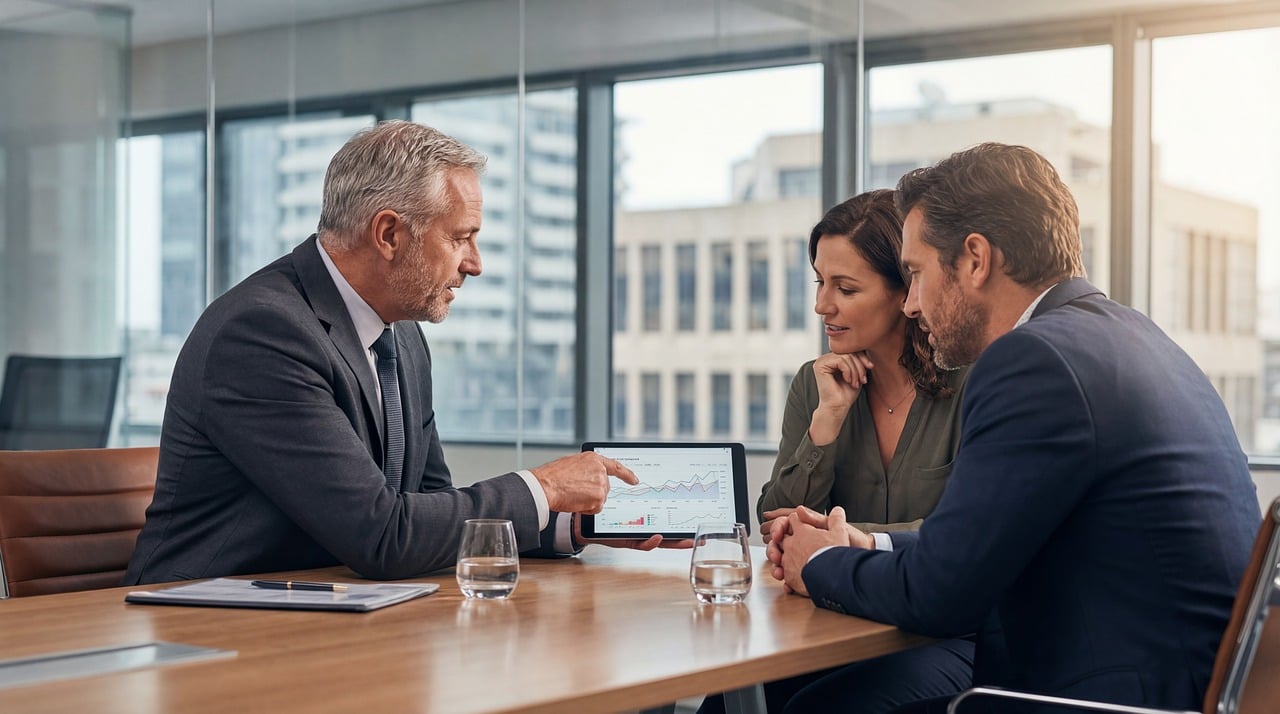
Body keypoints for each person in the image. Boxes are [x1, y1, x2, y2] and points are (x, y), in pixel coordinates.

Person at [768, 143, 1259, 713]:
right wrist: (868, 542)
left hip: (1105, 700)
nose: (912, 304)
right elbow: (981, 541)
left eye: (917, 274)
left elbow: (940, 596)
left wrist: (818, 562)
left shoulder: (1032, 360)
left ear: (975, 260)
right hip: (1178, 688)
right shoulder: (1133, 337)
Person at [124, 120, 660, 586]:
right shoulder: (262, 334)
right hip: (204, 625)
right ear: (388, 234)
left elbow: (431, 510)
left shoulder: (401, 336)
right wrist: (542, 487)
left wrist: (567, 521)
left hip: (324, 609)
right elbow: (382, 535)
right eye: (461, 238)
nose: (475, 264)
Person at [701, 190, 973, 714]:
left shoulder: (972, 384)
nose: (822, 305)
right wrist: (825, 424)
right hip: (840, 619)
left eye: (845, 288)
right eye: (820, 282)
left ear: (906, 290)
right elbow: (774, 522)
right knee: (728, 700)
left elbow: (963, 538)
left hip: (942, 632)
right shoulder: (816, 383)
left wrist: (842, 539)